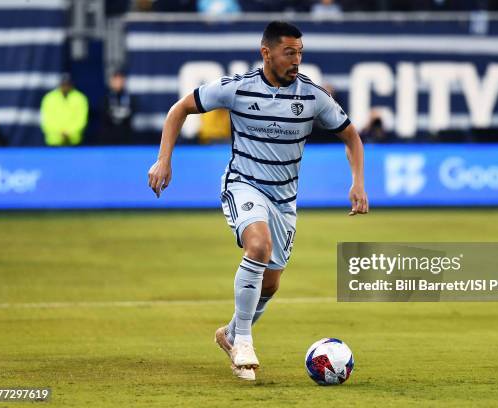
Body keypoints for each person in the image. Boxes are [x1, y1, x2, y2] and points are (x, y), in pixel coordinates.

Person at [147, 21, 368, 381]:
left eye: (300, 53)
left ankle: (230, 333)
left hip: (285, 200)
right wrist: (163, 158)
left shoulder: (312, 97)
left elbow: (352, 137)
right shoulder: (236, 88)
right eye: (289, 52)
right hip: (244, 185)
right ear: (266, 52)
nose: (297, 60)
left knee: (271, 283)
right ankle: (245, 343)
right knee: (258, 246)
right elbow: (179, 110)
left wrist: (358, 183)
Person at [40, 74, 89, 146]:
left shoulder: (80, 98)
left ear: (71, 85)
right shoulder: (49, 98)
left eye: (67, 84)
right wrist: (59, 133)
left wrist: (69, 132)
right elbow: (46, 120)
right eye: (63, 84)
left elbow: (81, 119)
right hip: (53, 141)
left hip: (74, 141)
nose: (65, 87)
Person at [99, 70, 135, 145]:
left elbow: (131, 114)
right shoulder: (106, 98)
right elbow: (104, 115)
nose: (118, 83)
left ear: (123, 81)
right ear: (111, 82)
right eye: (116, 80)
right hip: (109, 136)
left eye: (120, 80)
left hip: (126, 135)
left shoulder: (129, 98)